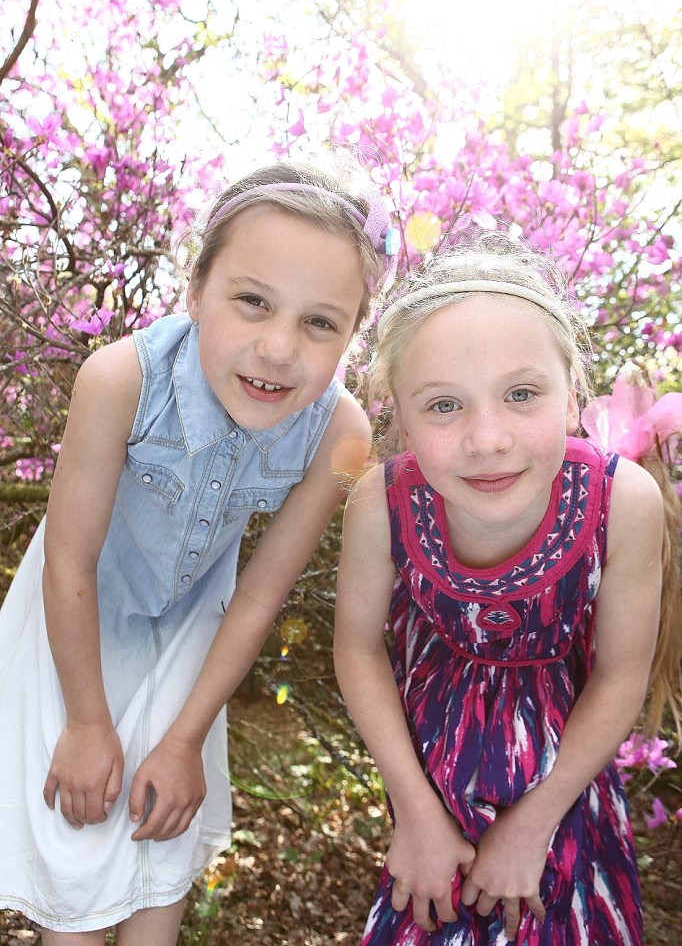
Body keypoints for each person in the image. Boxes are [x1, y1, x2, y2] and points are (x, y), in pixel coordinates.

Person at [0, 155, 399, 944]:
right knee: (80, 848)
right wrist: (87, 722)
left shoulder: (343, 434)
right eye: (253, 301)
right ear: (195, 289)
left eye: (321, 322)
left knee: (162, 834)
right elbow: (71, 562)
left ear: (355, 334)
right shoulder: (119, 379)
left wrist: (185, 738)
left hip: (194, 631)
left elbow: (259, 594)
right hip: (74, 621)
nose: (278, 347)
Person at [334, 235, 682, 946]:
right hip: (431, 778)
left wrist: (535, 823)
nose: (487, 438)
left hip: (565, 783)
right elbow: (358, 647)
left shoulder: (622, 502)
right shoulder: (383, 504)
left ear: (572, 395)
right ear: (400, 415)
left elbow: (620, 676)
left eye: (521, 394)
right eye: (444, 405)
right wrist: (416, 811)